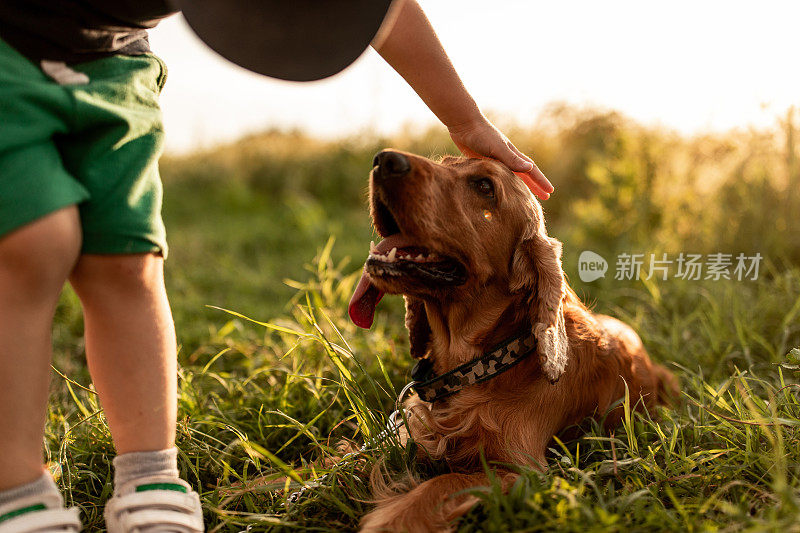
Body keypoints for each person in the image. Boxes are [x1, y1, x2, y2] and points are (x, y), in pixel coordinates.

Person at [0, 0, 554, 531]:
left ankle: (150, 478)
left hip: (116, 68)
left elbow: (380, 7)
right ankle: (18, 490)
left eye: (479, 188)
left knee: (129, 263)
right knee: (35, 242)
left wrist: (466, 119)